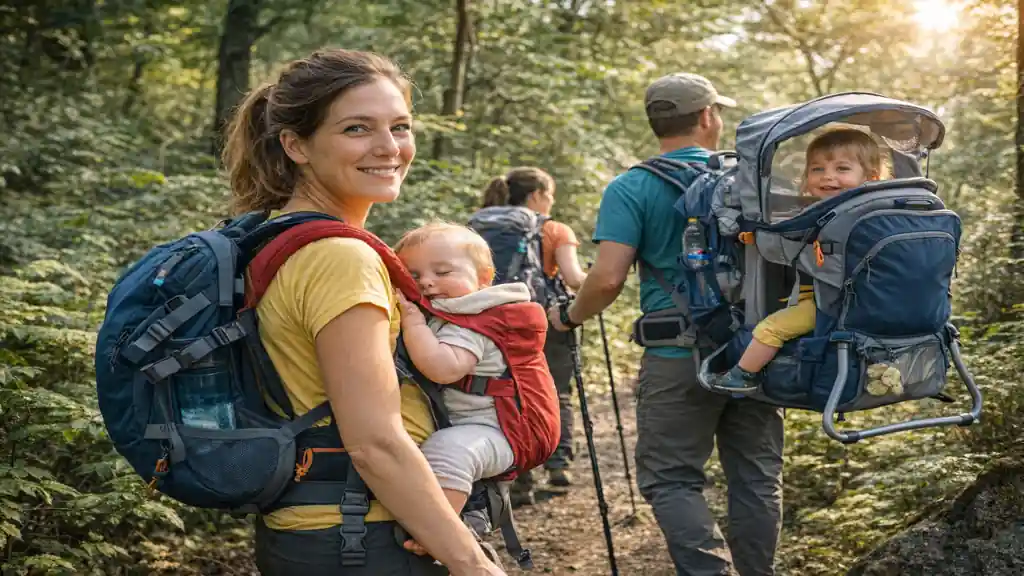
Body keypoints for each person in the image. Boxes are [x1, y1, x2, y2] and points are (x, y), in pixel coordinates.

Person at [221, 48, 504, 575]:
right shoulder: (339, 258)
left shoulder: (276, 235)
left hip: (317, 528)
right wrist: (474, 564)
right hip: (361, 536)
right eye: (357, 128)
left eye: (400, 126)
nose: (389, 148)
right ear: (295, 145)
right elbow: (375, 443)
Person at [547, 72, 784, 576]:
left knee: (672, 479)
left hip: (676, 355)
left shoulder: (631, 187)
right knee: (756, 477)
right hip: (756, 350)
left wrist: (567, 318)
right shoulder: (750, 180)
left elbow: (606, 279)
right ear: (706, 117)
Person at [391, 222, 531, 556]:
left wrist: (411, 324)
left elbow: (442, 367)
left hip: (498, 431)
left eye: (442, 272)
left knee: (448, 450)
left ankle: (442, 532)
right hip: (481, 429)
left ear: (484, 277)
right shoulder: (451, 313)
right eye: (414, 275)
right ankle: (473, 518)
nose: (426, 281)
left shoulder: (474, 320)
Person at [709, 128, 883, 392]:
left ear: (870, 177)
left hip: (832, 303)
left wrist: (758, 237)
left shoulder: (841, 216)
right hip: (834, 298)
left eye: (842, 169)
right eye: (817, 169)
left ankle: (743, 376)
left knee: (771, 328)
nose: (828, 177)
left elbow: (788, 244)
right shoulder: (868, 211)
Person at [478, 167, 587, 503]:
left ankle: (521, 476)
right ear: (538, 195)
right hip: (546, 321)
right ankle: (557, 466)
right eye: (549, 195)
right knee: (557, 391)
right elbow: (574, 279)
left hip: (496, 322)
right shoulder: (554, 229)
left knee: (511, 393)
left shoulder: (483, 226)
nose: (550, 202)